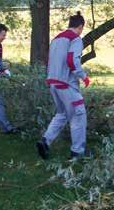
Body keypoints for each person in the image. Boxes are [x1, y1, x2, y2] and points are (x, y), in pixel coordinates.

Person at [36, 12, 91, 160]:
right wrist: (84, 77)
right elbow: (72, 61)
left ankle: (45, 141)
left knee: (62, 114)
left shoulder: (56, 39)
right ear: (80, 26)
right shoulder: (75, 39)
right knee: (79, 115)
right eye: (82, 29)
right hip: (66, 84)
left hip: (53, 82)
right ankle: (77, 151)